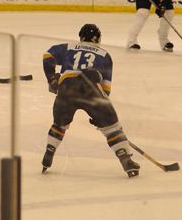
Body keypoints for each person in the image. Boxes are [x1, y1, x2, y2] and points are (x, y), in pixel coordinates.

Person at [40, 24, 139, 178]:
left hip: (67, 87)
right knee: (112, 127)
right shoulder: (105, 54)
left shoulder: (68, 47)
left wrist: (52, 78)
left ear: (81, 37)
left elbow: (48, 56)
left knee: (59, 124)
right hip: (91, 89)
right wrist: (100, 117)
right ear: (97, 38)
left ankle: (50, 150)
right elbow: (105, 90)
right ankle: (125, 159)